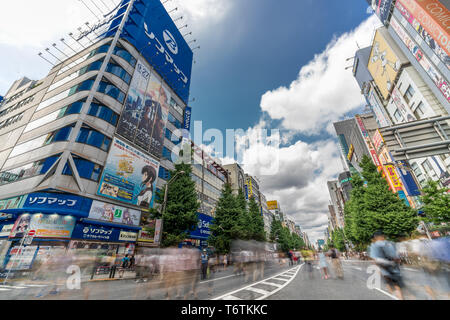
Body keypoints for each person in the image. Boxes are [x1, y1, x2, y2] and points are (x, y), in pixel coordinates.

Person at [369, 231, 404, 300]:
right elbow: (397, 257)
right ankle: (400, 298)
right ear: (383, 236)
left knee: (389, 285)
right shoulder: (390, 243)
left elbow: (374, 260)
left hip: (384, 270)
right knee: (397, 286)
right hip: (395, 269)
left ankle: (395, 296)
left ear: (375, 237)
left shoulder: (374, 245)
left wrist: (378, 269)